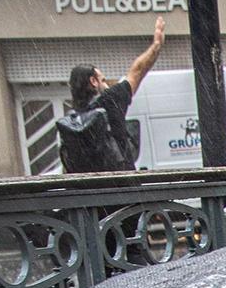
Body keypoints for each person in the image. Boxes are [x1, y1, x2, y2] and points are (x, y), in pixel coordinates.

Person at [59, 16, 165, 174]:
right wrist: (156, 46)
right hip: (122, 187)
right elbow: (137, 71)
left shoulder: (72, 120)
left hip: (92, 193)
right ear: (93, 81)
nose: (106, 84)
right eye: (102, 79)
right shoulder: (109, 100)